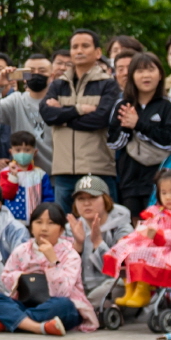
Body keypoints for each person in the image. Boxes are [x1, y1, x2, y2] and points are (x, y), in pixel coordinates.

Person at [0, 203, 98, 335]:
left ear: (61, 230)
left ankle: (11, 322)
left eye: (51, 223)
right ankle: (39, 327)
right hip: (27, 301)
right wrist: (24, 276)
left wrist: (52, 261)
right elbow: (5, 277)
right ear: (31, 227)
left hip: (55, 305)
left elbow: (62, 293)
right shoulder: (22, 250)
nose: (44, 228)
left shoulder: (69, 253)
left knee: (64, 305)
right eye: (38, 222)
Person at [102, 167, 171, 309]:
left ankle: (143, 291)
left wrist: (159, 235)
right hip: (153, 246)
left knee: (142, 254)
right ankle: (130, 290)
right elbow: (143, 230)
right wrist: (129, 238)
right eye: (164, 193)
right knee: (123, 249)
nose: (168, 197)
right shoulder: (158, 211)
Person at [40, 30, 118, 210]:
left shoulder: (108, 84)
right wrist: (79, 109)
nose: (79, 50)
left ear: (98, 53)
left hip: (97, 168)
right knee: (65, 228)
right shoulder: (59, 84)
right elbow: (47, 115)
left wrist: (63, 117)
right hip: (63, 170)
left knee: (103, 224)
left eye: (85, 46)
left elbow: (100, 119)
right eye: (75, 47)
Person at [108, 52, 171, 219]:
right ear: (132, 76)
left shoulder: (168, 105)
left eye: (151, 70)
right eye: (139, 71)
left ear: (160, 74)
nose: (146, 75)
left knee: (157, 227)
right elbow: (113, 143)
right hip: (129, 178)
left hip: (160, 179)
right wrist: (127, 126)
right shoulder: (122, 104)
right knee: (133, 228)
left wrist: (138, 125)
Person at [63, 175, 131, 289]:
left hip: (112, 288)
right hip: (77, 289)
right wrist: (78, 246)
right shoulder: (70, 229)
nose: (86, 203)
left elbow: (121, 271)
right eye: (81, 199)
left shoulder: (123, 228)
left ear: (106, 199)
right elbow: (63, 271)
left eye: (92, 197)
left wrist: (98, 243)